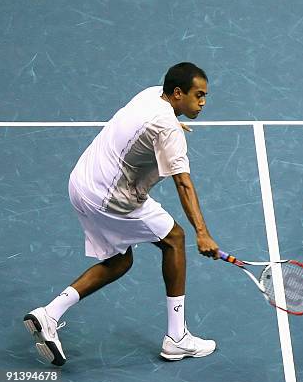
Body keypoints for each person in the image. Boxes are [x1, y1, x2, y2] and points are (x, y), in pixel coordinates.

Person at [24, 62, 220, 366]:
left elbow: (144, 127)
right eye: (199, 95)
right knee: (175, 240)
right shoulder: (167, 130)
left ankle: (49, 314)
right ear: (178, 93)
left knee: (120, 260)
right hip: (110, 196)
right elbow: (183, 183)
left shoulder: (151, 95)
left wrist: (170, 126)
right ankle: (177, 338)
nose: (203, 102)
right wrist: (203, 233)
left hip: (81, 182)